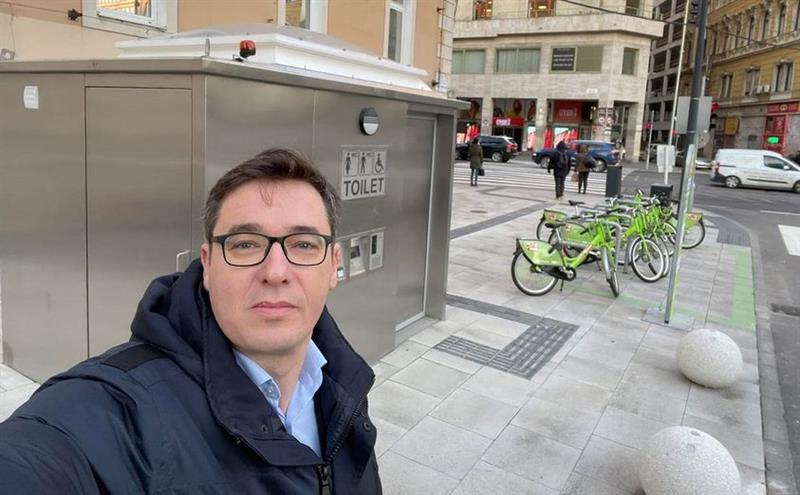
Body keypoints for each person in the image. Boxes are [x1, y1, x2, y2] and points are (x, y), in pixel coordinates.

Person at [0, 148, 382, 494]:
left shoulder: (343, 385)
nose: (276, 272)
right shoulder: (119, 408)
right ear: (208, 265)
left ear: (333, 265)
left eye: (303, 245)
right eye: (245, 244)